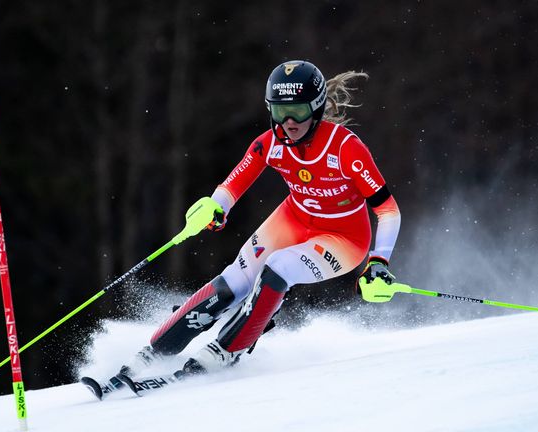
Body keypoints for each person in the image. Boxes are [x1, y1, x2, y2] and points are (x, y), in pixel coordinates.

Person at [120, 60, 401, 385]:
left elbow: (388, 210)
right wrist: (216, 206)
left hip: (343, 238)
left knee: (278, 268)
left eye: (298, 111)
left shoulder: (346, 148)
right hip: (294, 218)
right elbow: (233, 184)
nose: (289, 122)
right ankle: (153, 351)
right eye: (281, 112)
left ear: (316, 108)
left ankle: (227, 350)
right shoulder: (269, 143)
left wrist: (378, 262)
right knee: (236, 279)